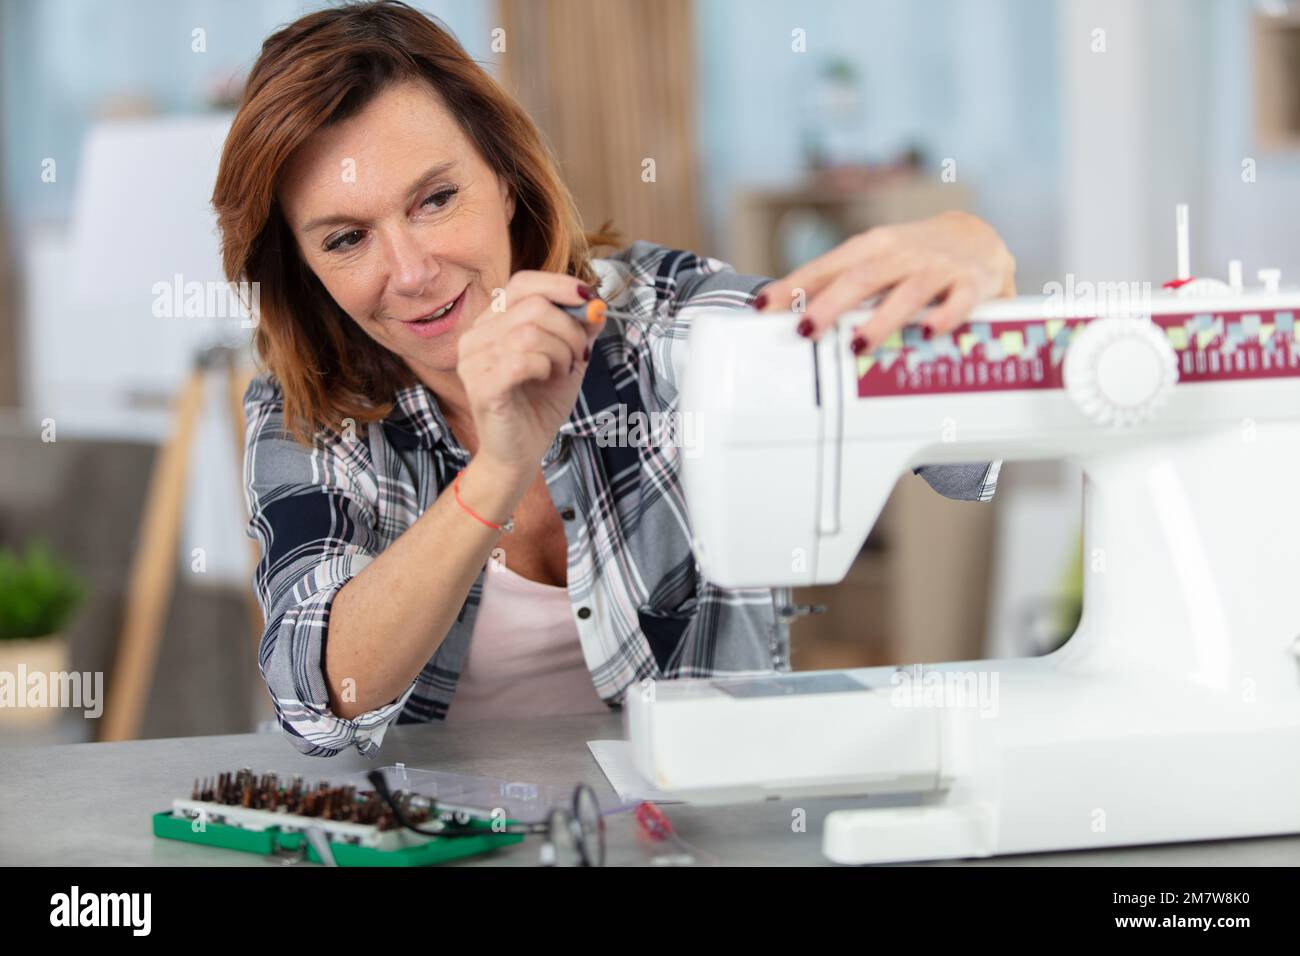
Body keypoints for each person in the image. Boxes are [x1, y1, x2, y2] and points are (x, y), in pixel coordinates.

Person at [214, 1, 1016, 758]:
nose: (413, 272)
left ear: (504, 176)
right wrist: (497, 469)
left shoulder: (663, 323)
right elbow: (318, 698)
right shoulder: (306, 410)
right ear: (304, 267)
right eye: (348, 239)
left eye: (436, 199)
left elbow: (959, 447)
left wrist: (975, 259)